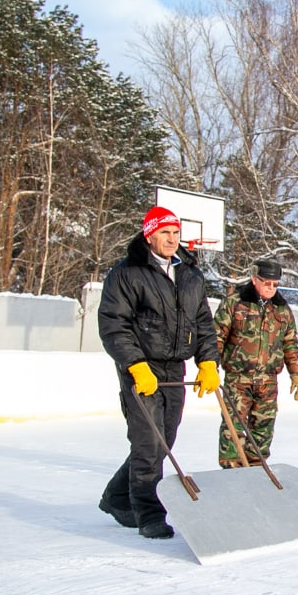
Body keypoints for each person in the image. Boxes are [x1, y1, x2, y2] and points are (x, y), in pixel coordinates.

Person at [97, 205, 220, 539]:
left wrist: (208, 361)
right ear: (149, 234)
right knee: (149, 444)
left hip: (174, 368)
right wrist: (135, 364)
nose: (171, 239)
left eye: (176, 232)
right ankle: (149, 513)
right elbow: (113, 324)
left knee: (164, 440)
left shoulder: (190, 274)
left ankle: (116, 496)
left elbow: (203, 323)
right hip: (141, 368)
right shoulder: (127, 273)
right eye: (164, 232)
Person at [213, 258, 298, 468]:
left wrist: (296, 374)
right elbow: (216, 337)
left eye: (275, 284)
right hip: (238, 379)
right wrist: (210, 366)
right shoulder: (234, 304)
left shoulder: (282, 310)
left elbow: (290, 343)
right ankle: (231, 469)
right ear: (254, 279)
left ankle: (256, 467)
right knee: (232, 426)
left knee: (263, 428)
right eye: (266, 283)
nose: (271, 288)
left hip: (267, 381)